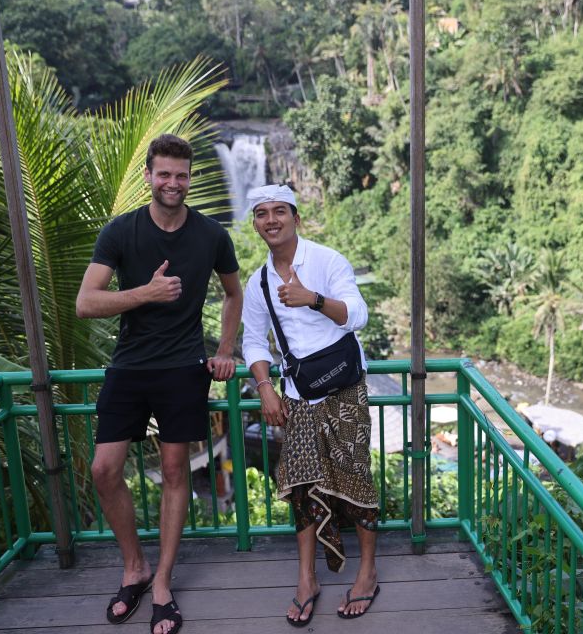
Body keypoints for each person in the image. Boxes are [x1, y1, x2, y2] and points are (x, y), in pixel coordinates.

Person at [75, 134, 242, 634]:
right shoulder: (121, 232)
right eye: (164, 174)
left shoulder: (212, 235)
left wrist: (225, 350)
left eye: (182, 175)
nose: (173, 183)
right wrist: (145, 292)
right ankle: (135, 568)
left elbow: (234, 293)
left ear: (190, 179)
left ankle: (163, 581)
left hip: (184, 366)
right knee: (105, 469)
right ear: (148, 176)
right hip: (129, 366)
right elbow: (86, 302)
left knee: (175, 471)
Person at [241, 184, 380, 626]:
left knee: (355, 475)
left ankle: (367, 572)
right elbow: (252, 340)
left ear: (295, 217)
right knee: (300, 487)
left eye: (279, 211)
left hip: (343, 389)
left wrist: (313, 300)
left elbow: (358, 315)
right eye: (261, 214)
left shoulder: (326, 261)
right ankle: (307, 579)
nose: (271, 220)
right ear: (256, 224)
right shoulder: (258, 281)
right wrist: (264, 387)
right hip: (297, 395)